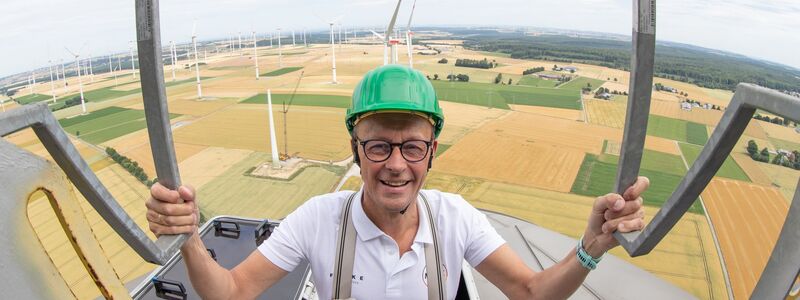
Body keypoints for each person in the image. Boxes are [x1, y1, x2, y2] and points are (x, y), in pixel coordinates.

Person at [146, 65, 647, 299]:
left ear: (433, 153)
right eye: (378, 146)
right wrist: (189, 238)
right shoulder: (318, 219)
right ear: (356, 152)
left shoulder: (454, 218)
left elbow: (533, 292)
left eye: (412, 147)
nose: (395, 165)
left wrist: (590, 247)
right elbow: (230, 293)